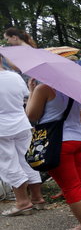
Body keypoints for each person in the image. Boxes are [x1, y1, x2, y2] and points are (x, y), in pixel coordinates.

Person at [25, 80, 81, 230]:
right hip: (79, 139)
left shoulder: (43, 88)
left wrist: (31, 91)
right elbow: (80, 116)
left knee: (71, 186)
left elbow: (31, 115)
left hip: (58, 142)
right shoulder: (75, 89)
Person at [0, 66, 44, 216]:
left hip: (2, 128)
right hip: (21, 123)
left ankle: (22, 202)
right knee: (27, 160)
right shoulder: (15, 77)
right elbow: (26, 95)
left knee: (9, 163)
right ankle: (37, 198)